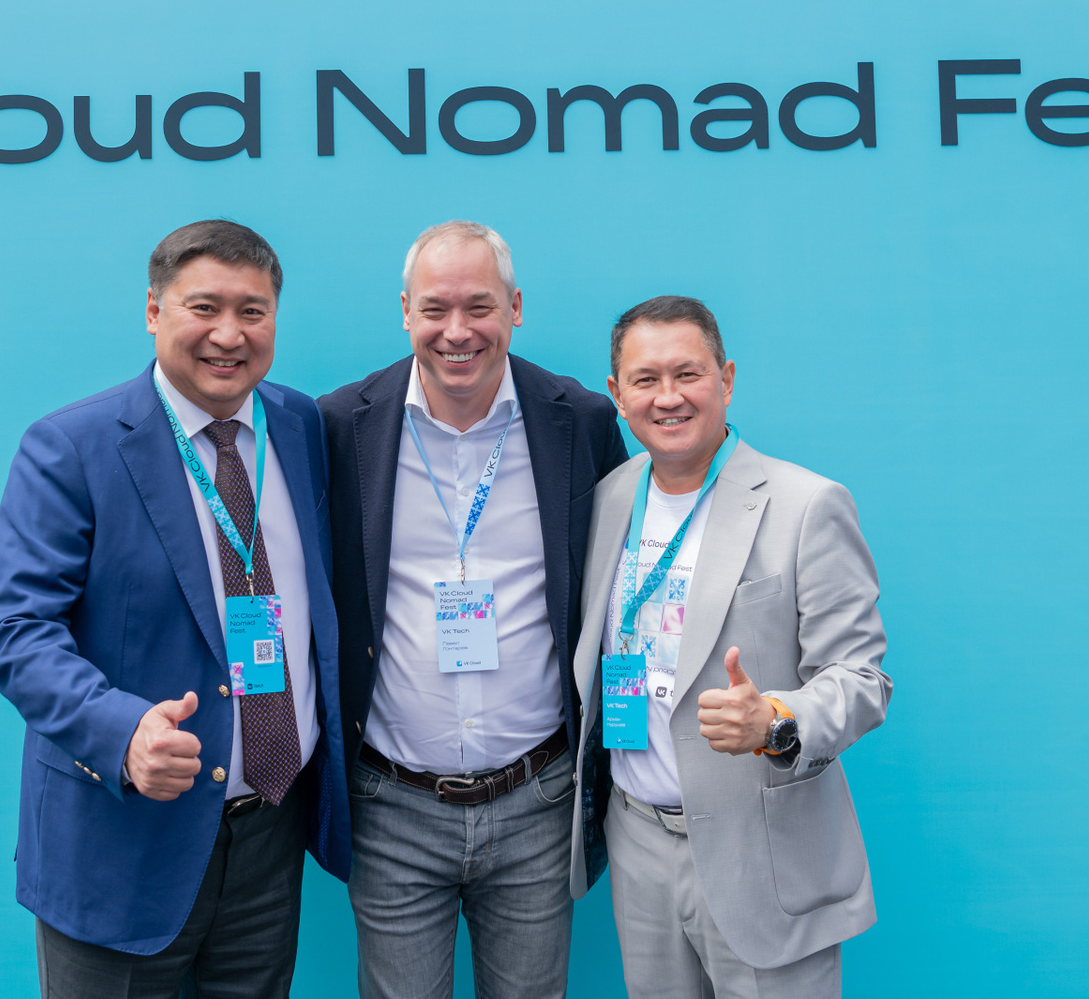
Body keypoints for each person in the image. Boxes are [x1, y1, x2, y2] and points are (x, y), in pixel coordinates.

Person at [0, 220, 349, 999]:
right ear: (153, 311)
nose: (229, 334)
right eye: (203, 307)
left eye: (252, 311)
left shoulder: (301, 426)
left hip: (268, 836)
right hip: (122, 843)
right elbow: (15, 632)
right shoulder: (71, 446)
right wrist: (122, 731)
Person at [319, 220, 630, 999]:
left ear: (515, 307)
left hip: (538, 799)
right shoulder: (340, 424)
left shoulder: (580, 419)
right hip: (392, 804)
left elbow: (624, 582)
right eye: (435, 308)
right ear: (405, 311)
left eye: (479, 306)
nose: (457, 331)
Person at [568, 295, 890, 999]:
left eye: (688, 373)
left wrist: (775, 719)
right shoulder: (610, 497)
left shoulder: (807, 504)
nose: (669, 397)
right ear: (617, 393)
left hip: (761, 854)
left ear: (727, 378)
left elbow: (863, 679)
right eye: (646, 379)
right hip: (637, 842)